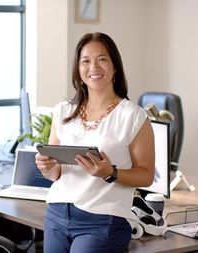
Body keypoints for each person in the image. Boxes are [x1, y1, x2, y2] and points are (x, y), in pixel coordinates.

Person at [35, 32, 155, 253]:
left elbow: (146, 176)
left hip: (102, 219)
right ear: (78, 70)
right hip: (57, 215)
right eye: (86, 61)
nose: (94, 67)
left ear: (115, 66)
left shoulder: (133, 116)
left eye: (102, 59)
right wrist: (48, 167)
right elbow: (56, 175)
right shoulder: (63, 111)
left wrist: (110, 172)